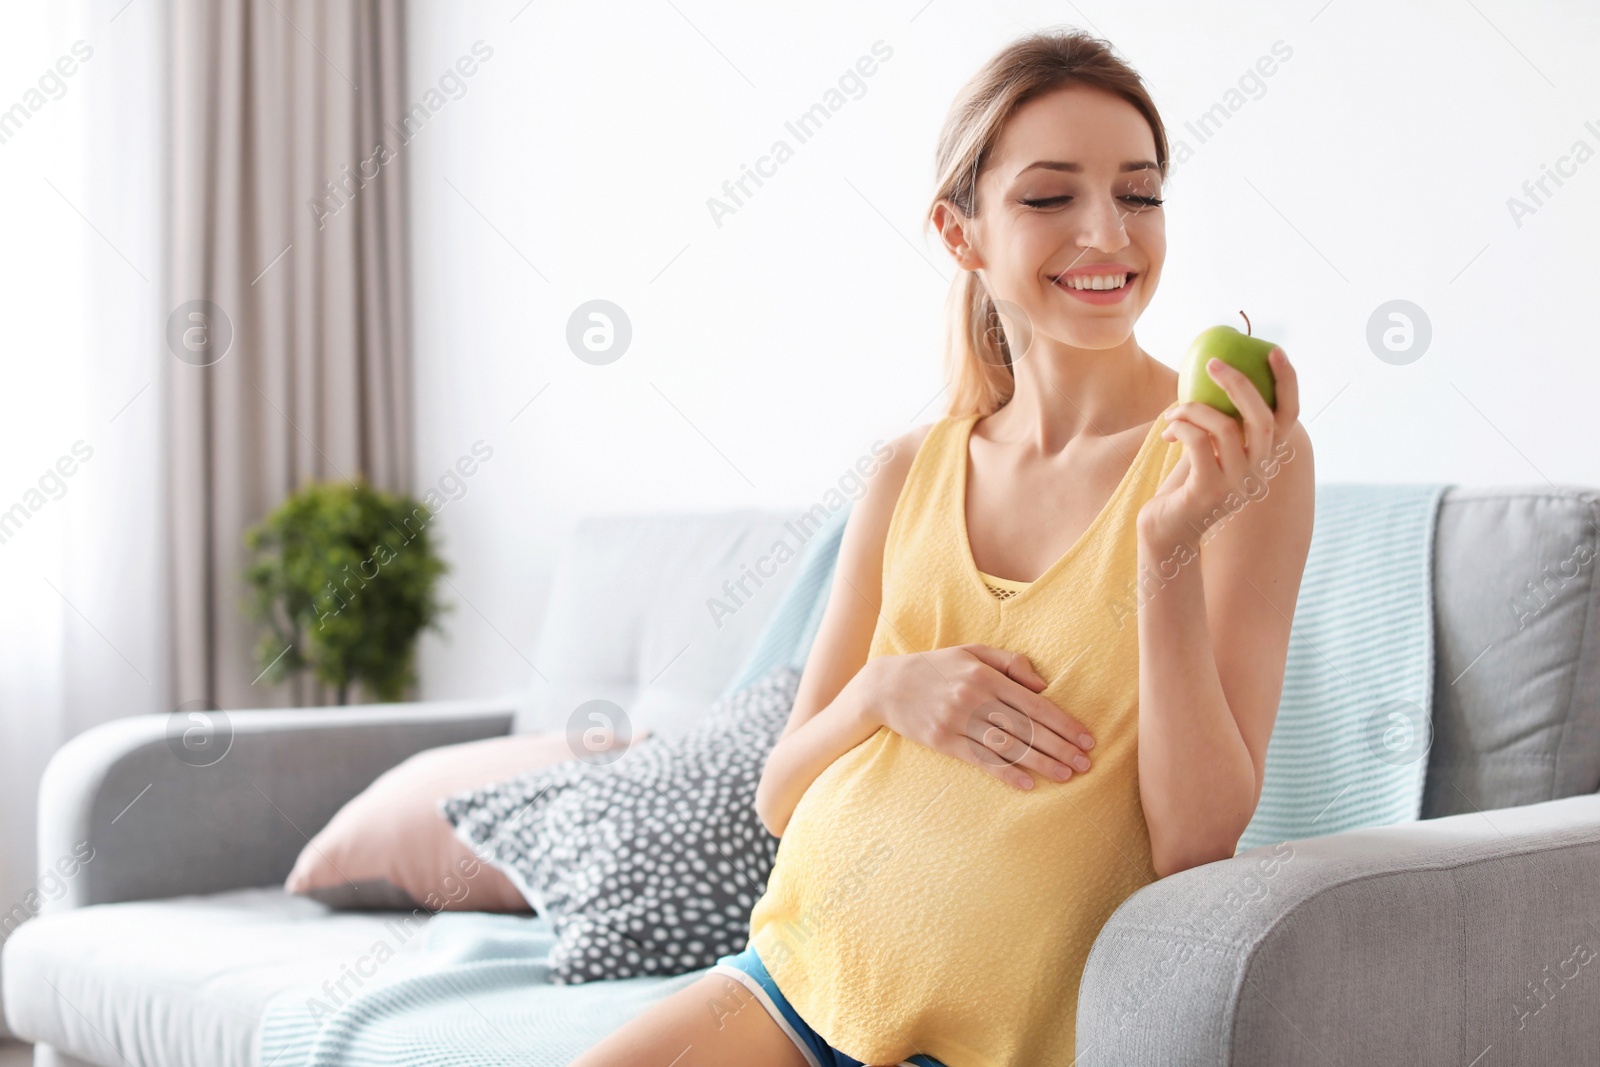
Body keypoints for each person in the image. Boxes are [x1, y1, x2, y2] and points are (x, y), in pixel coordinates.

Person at [572, 27, 1314, 1067]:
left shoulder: (1233, 462)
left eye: (1138, 194)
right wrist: (885, 691)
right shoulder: (904, 471)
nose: (1107, 232)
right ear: (959, 232)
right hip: (791, 981)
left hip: (1000, 1040)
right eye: (1050, 197)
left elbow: (1196, 846)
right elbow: (779, 793)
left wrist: (1166, 552)